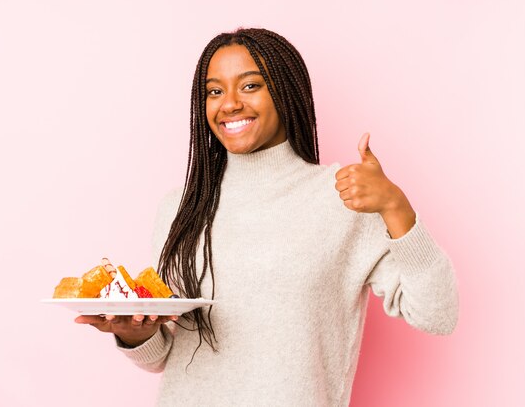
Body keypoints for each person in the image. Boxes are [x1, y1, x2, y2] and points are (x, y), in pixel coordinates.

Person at [76, 28, 458, 406]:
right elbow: (167, 355)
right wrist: (133, 334)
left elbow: (437, 314)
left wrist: (396, 207)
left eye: (250, 86)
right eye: (214, 91)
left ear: (285, 92)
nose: (229, 104)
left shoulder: (343, 197)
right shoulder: (180, 208)